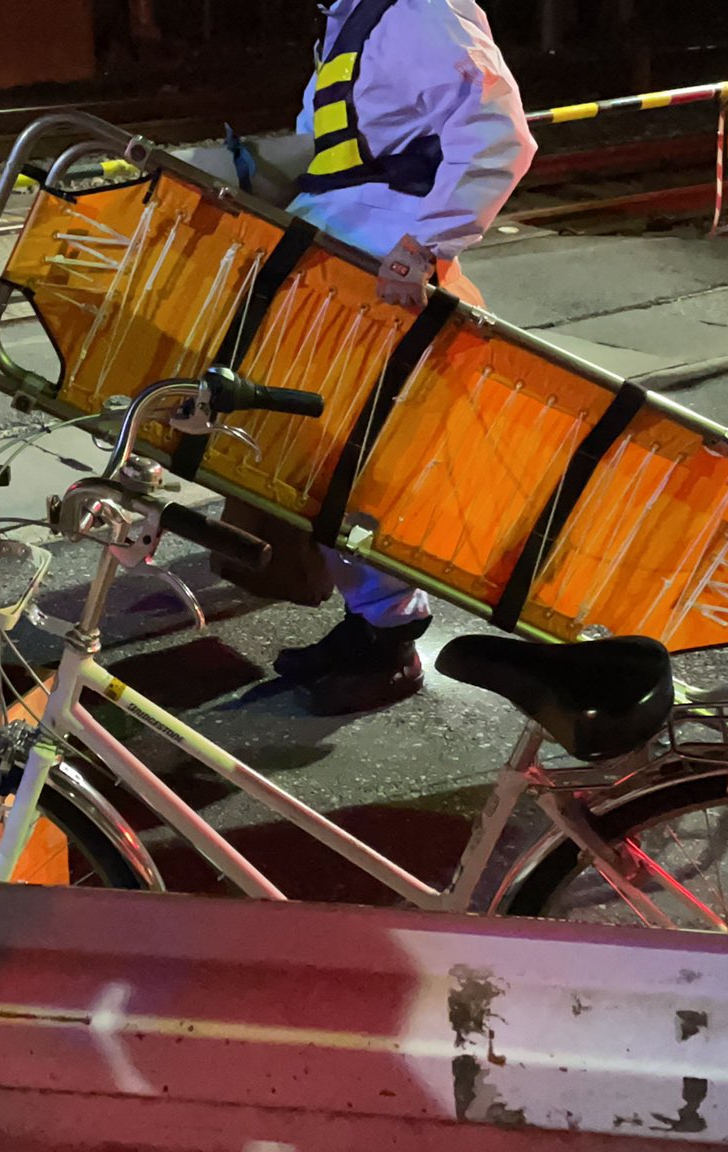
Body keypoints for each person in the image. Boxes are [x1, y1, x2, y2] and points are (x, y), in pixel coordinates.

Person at [265, 0, 537, 717]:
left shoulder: (421, 8)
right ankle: (371, 623)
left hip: (382, 281)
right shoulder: (352, 19)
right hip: (342, 274)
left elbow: (499, 130)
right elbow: (330, 151)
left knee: (361, 463)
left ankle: (388, 636)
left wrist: (423, 246)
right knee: (327, 457)